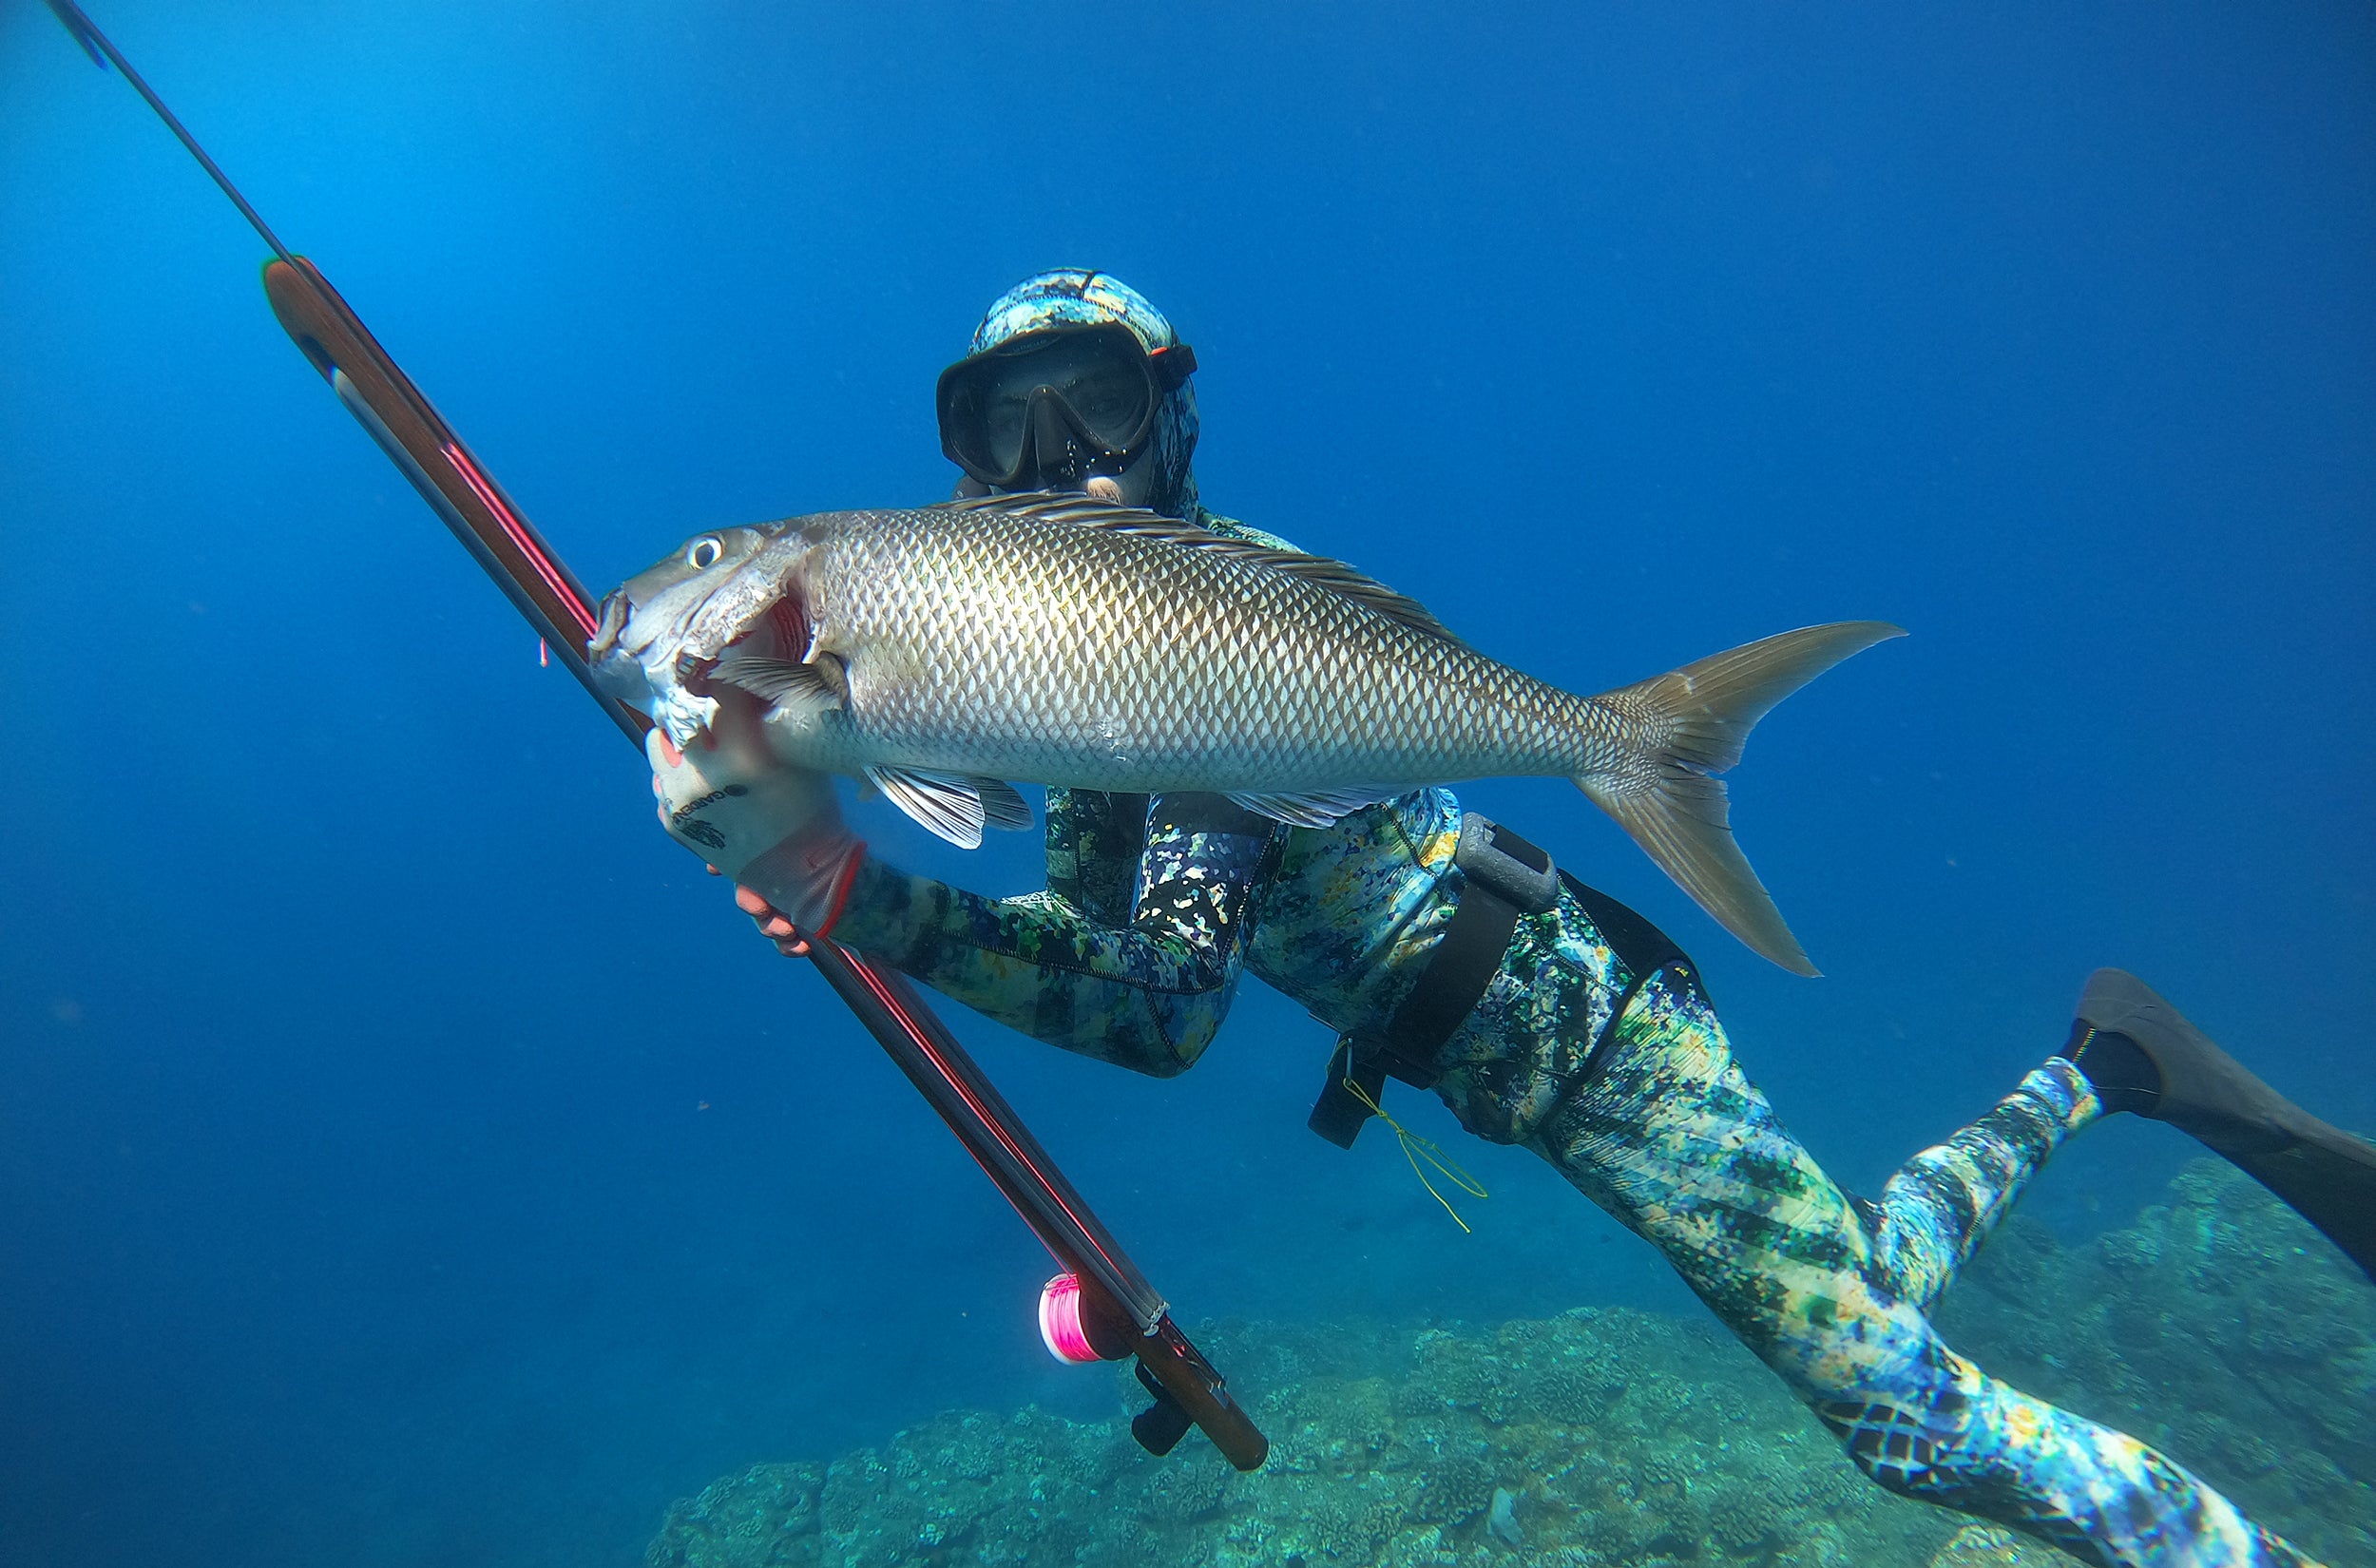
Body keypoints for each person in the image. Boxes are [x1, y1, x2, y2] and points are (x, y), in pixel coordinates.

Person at [656, 269, 2375, 1568]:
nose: (1060, 461)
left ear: (1170, 408)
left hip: (1604, 1047)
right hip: (1519, 1060)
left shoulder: (1178, 655)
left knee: (1907, 1422)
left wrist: (864, 898)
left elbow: (1161, 1009)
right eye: (1001, 427)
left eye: (1091, 402)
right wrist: (873, 852)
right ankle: (2109, 1064)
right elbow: (1100, 938)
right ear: (956, 462)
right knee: (1862, 1265)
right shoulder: (1044, 686)